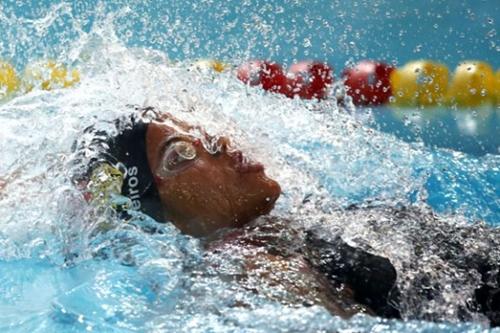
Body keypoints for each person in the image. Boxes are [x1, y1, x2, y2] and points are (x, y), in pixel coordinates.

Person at [72, 106, 500, 326]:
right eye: (182, 154)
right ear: (161, 217)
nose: (217, 144)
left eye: (200, 134)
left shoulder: (287, 232)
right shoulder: (248, 263)